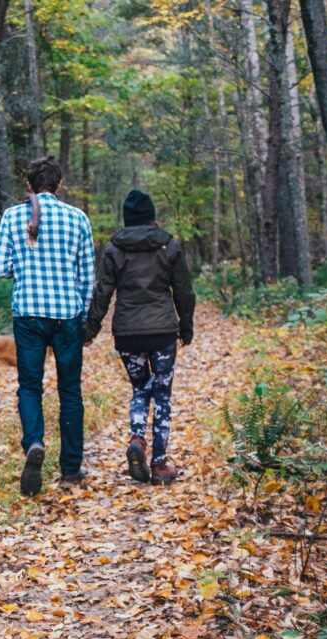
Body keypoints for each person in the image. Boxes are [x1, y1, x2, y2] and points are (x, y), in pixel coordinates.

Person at [0, 156, 95, 497]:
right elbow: (87, 277)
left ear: (29, 185)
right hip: (67, 314)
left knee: (30, 386)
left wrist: (25, 266)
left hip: (29, 315)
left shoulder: (12, 216)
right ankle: (70, 469)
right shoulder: (77, 218)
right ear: (59, 184)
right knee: (70, 391)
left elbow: (0, 268)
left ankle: (34, 443)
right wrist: (83, 319)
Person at [83, 189, 196, 485]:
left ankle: (137, 438)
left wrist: (90, 329)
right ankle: (159, 465)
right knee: (162, 395)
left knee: (139, 389)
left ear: (127, 218)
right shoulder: (168, 246)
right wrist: (186, 328)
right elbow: (184, 290)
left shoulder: (114, 249)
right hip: (162, 333)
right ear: (151, 217)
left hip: (128, 333)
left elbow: (103, 292)